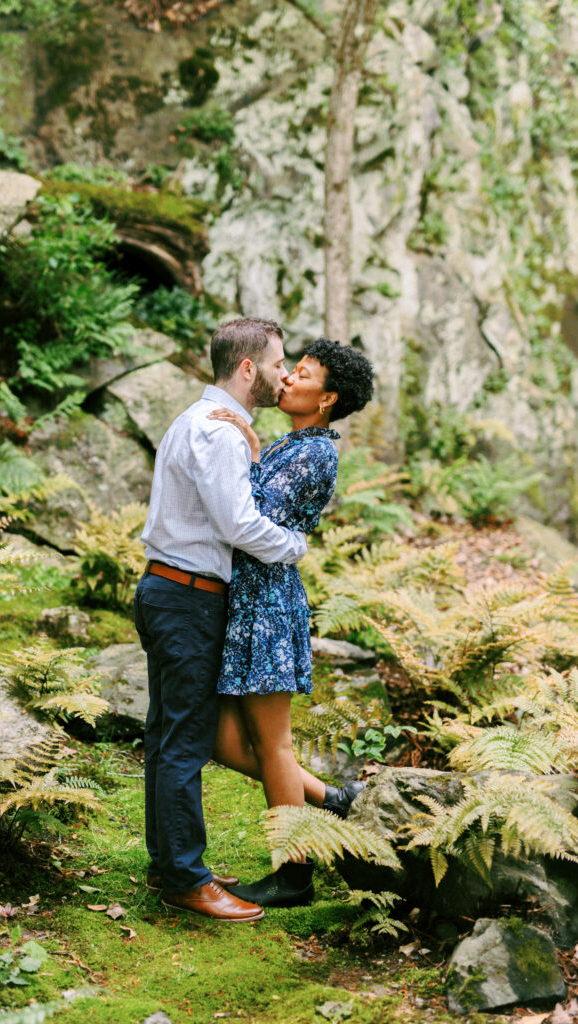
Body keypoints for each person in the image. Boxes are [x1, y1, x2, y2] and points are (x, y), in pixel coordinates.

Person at [134, 317, 309, 922]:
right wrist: (295, 545)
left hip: (169, 590)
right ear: (246, 368)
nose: (284, 373)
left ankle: (169, 864)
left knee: (165, 738)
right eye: (278, 362)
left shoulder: (204, 421)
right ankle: (186, 878)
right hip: (188, 598)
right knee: (182, 743)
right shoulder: (219, 432)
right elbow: (238, 524)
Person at [209, 337, 375, 908]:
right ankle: (332, 798)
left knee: (272, 744)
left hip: (269, 605)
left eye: (301, 374)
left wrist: (246, 445)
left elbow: (250, 515)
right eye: (291, 369)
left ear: (326, 397)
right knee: (224, 739)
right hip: (248, 600)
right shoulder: (296, 441)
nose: (288, 379)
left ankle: (294, 873)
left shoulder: (316, 453)